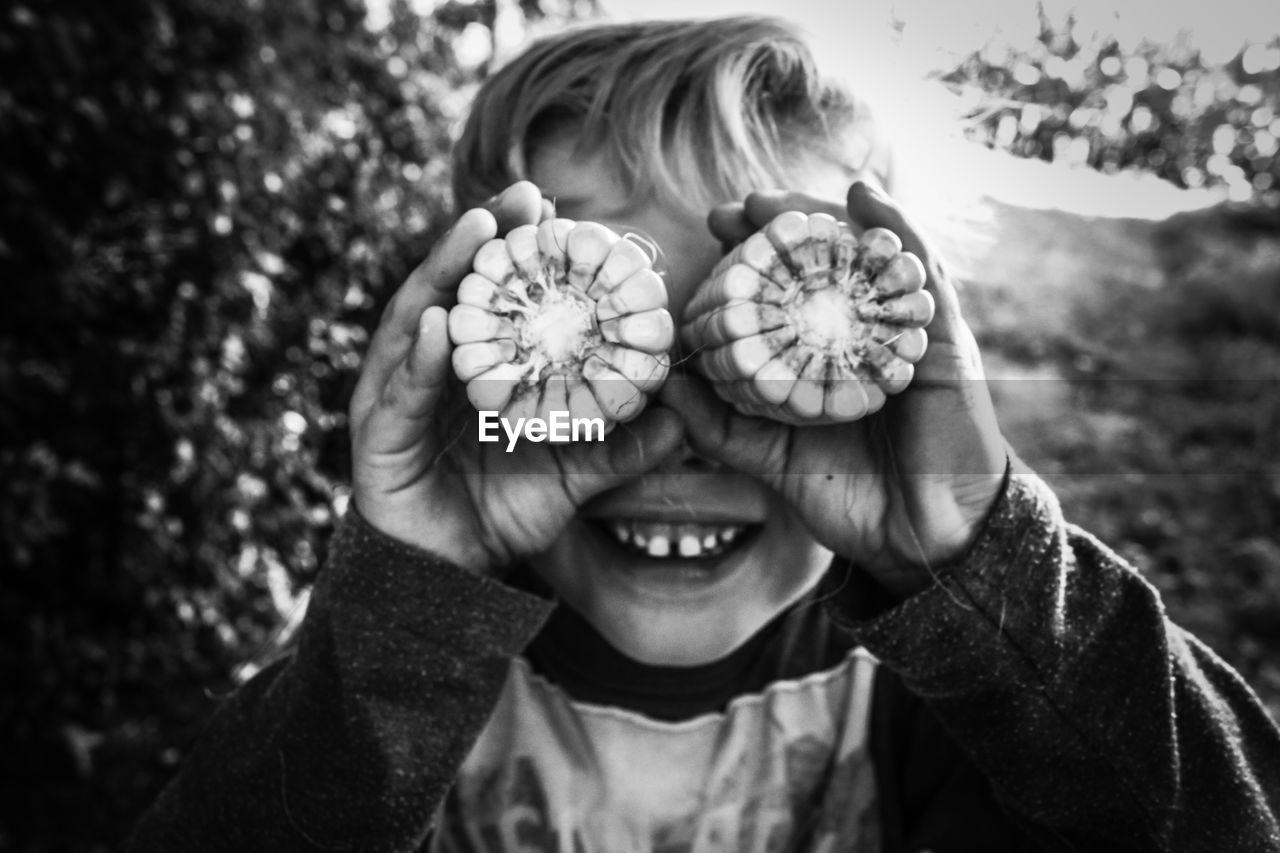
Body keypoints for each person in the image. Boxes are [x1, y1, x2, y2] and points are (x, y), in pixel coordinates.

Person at [127, 16, 1280, 853]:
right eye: (602, 353)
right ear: (471, 340)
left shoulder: (966, 716)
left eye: (753, 368)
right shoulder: (378, 700)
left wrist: (990, 576)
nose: (682, 437)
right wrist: (409, 594)